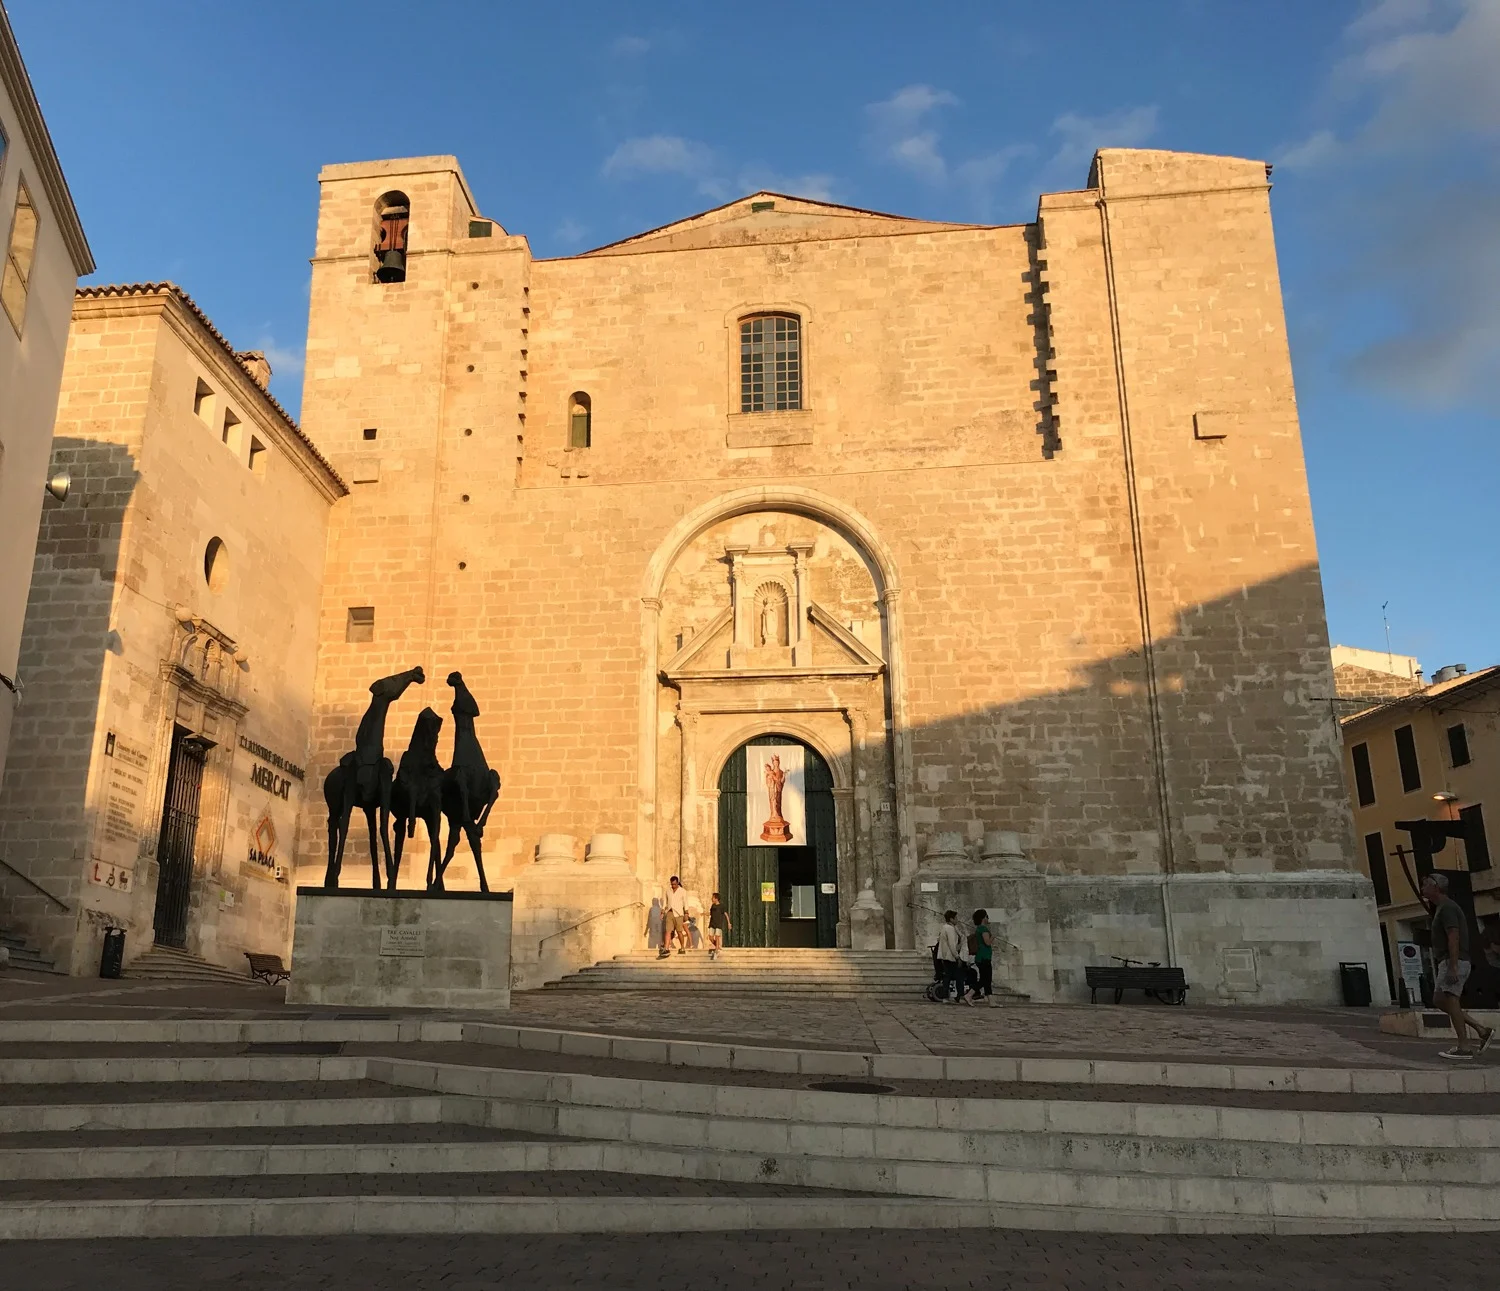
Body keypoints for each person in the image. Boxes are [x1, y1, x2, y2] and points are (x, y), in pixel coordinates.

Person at [1422, 872, 1494, 1060]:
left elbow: (1454, 937)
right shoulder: (1441, 908)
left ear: (1435, 887)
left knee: (1451, 999)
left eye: (1425, 884)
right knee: (1439, 1000)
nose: (1422, 887)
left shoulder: (1447, 908)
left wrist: (1453, 966)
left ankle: (1464, 1046)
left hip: (1454, 960)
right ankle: (1481, 1029)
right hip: (1447, 961)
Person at [936, 910, 972, 1004]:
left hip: (946, 956)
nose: (957, 920)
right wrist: (957, 957)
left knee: (948, 976)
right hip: (951, 956)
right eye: (956, 918)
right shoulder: (950, 929)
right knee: (959, 976)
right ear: (951, 919)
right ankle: (959, 995)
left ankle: (947, 996)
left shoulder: (946, 927)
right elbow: (952, 944)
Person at [971, 909, 995, 1004]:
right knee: (986, 979)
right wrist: (993, 936)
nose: (988, 918)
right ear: (983, 918)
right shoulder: (983, 929)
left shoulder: (979, 929)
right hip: (984, 957)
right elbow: (987, 942)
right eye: (987, 916)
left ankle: (991, 1001)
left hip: (981, 957)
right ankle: (969, 995)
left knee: (985, 979)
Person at [663, 876, 690, 956]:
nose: (673, 886)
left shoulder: (682, 891)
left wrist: (686, 913)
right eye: (672, 884)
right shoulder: (668, 891)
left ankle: (682, 947)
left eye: (674, 884)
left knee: (679, 932)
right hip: (670, 912)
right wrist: (662, 911)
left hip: (679, 914)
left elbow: (686, 902)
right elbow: (665, 901)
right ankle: (666, 948)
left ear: (677, 883)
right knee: (668, 931)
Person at [707, 891, 731, 960]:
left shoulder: (721, 906)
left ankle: (716, 951)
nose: (712, 899)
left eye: (713, 898)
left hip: (718, 924)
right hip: (712, 924)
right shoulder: (713, 906)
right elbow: (711, 914)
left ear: (716, 899)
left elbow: (725, 914)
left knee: (717, 937)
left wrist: (728, 923)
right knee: (711, 937)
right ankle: (717, 946)